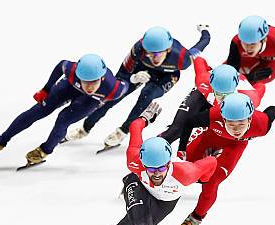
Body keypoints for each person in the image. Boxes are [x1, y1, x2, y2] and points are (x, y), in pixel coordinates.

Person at [52, 102, 217, 225]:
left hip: (164, 202)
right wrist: (146, 116)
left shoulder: (186, 173)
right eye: (151, 169)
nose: (156, 174)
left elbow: (212, 164)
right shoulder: (134, 160)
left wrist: (205, 178)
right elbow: (135, 128)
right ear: (142, 163)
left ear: (169, 164)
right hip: (138, 186)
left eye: (160, 169)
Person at [65, 25, 211, 148]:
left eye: (157, 54)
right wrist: (133, 78)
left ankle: (123, 131)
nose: (153, 57)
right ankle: (85, 128)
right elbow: (120, 77)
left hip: (166, 76)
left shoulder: (182, 58)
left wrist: (205, 31)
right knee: (114, 96)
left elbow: (202, 43)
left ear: (167, 50)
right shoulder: (138, 50)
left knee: (147, 94)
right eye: (149, 53)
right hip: (141, 70)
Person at [0, 54, 128, 165]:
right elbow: (61, 65)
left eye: (93, 82)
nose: (89, 87)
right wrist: (46, 89)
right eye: (85, 81)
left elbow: (125, 86)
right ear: (78, 75)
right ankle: (1, 141)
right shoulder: (71, 69)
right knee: (37, 111)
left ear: (102, 78)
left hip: (90, 100)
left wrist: (130, 81)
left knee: (63, 119)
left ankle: (44, 150)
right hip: (69, 86)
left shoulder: (113, 88)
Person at [166, 93, 275, 225]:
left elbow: (273, 110)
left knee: (212, 182)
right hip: (210, 138)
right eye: (231, 124)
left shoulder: (262, 125)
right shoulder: (213, 115)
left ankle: (194, 219)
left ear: (250, 119)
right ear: (223, 119)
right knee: (186, 168)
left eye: (241, 124)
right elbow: (188, 122)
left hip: (233, 147)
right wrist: (182, 149)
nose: (236, 129)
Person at [159, 55, 266, 147]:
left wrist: (254, 79)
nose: (223, 99)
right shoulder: (203, 81)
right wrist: (208, 69)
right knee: (176, 130)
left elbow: (261, 86)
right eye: (219, 94)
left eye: (228, 95)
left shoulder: (249, 98)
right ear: (212, 87)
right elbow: (199, 60)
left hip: (229, 103)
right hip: (203, 96)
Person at [224, 14, 275, 85]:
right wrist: (250, 77)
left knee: (258, 80)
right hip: (254, 57)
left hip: (274, 60)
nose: (247, 48)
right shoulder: (236, 42)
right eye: (244, 43)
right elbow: (232, 73)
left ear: (264, 40)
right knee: (227, 75)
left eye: (252, 44)